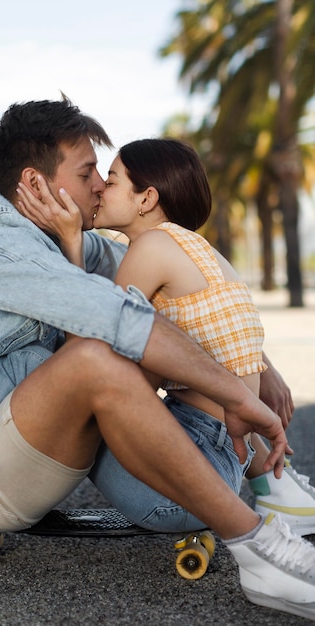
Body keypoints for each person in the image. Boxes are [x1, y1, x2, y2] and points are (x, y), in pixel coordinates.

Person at [0, 100, 314, 622]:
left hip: (8, 439)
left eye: (104, 173)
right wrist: (239, 394)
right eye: (87, 173)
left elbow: (180, 286)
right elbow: (115, 315)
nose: (100, 185)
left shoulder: (58, 229)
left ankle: (269, 490)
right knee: (96, 357)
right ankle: (256, 547)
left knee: (91, 352)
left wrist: (256, 361)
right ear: (35, 184)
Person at [18, 136, 315, 537]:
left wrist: (71, 241)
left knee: (69, 395)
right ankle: (280, 491)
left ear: (146, 199)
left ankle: (5, 498)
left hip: (180, 495)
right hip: (225, 457)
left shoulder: (151, 248)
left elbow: (86, 353)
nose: (101, 188)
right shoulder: (197, 250)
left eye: (113, 178)